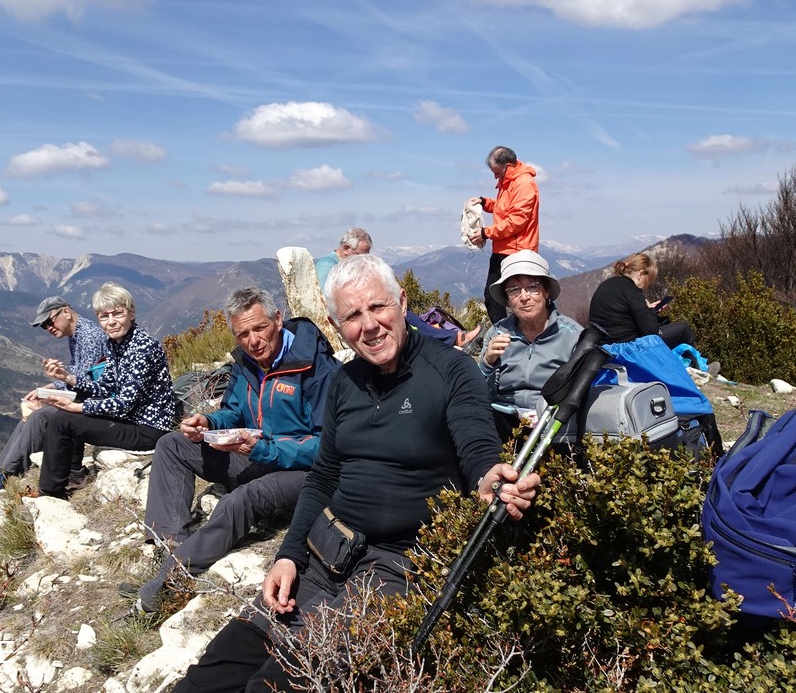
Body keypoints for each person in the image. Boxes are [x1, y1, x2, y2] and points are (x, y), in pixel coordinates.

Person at [173, 254, 541, 693]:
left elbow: (475, 441)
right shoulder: (344, 382)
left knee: (276, 684)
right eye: (352, 316)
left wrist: (489, 476)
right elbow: (323, 476)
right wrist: (288, 555)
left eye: (378, 306)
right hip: (322, 553)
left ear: (402, 303)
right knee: (212, 674)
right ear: (335, 324)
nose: (369, 325)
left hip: (397, 566)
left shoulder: (451, 371)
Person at [124, 287, 340, 615]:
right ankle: (173, 549)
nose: (253, 341)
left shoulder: (316, 368)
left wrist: (266, 450)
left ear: (278, 319)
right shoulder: (246, 363)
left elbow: (327, 445)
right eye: (243, 334)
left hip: (302, 471)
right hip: (255, 452)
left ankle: (160, 593)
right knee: (171, 445)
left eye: (260, 328)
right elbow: (235, 411)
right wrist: (209, 422)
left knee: (240, 500)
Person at [30, 283, 180, 498]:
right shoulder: (116, 344)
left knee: (62, 420)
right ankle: (65, 479)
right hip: (130, 420)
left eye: (117, 314)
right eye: (104, 316)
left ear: (131, 313)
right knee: (63, 416)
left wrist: (78, 407)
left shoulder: (143, 348)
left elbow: (124, 403)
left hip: (147, 430)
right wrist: (67, 378)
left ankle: (50, 493)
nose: (111, 322)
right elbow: (103, 387)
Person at [0, 295, 109, 493]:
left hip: (96, 402)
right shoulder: (77, 335)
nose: (48, 328)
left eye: (50, 321)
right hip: (88, 397)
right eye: (44, 326)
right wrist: (48, 388)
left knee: (39, 417)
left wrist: (52, 394)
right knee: (31, 417)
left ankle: (5, 475)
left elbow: (85, 383)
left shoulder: (89, 337)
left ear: (66, 312)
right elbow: (78, 376)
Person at [478, 250, 583, 444]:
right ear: (507, 298)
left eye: (532, 287)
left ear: (546, 292)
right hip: (503, 420)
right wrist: (487, 362)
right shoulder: (497, 333)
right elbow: (480, 393)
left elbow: (582, 392)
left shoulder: (572, 335)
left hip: (552, 423)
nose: (523, 297)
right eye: (514, 290)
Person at [317, 226, 480, 349]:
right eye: (360, 255)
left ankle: (450, 337)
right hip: (354, 318)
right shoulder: (327, 267)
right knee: (403, 315)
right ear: (346, 249)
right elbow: (331, 303)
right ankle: (454, 338)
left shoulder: (343, 264)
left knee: (401, 312)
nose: (363, 260)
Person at [467, 146, 540, 325]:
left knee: (517, 299)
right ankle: (507, 333)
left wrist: (485, 232)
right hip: (504, 249)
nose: (495, 177)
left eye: (497, 172)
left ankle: (512, 334)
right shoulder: (509, 181)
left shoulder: (523, 184)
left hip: (517, 251)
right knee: (496, 297)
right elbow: (504, 208)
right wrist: (484, 202)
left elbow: (516, 221)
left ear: (507, 166)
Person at [587, 252, 695, 349]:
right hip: (625, 347)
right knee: (684, 329)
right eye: (648, 280)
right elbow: (651, 332)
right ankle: (692, 363)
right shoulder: (633, 292)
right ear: (641, 273)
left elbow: (624, 315)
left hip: (602, 344)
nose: (647, 285)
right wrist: (651, 310)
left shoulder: (607, 284)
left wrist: (649, 311)